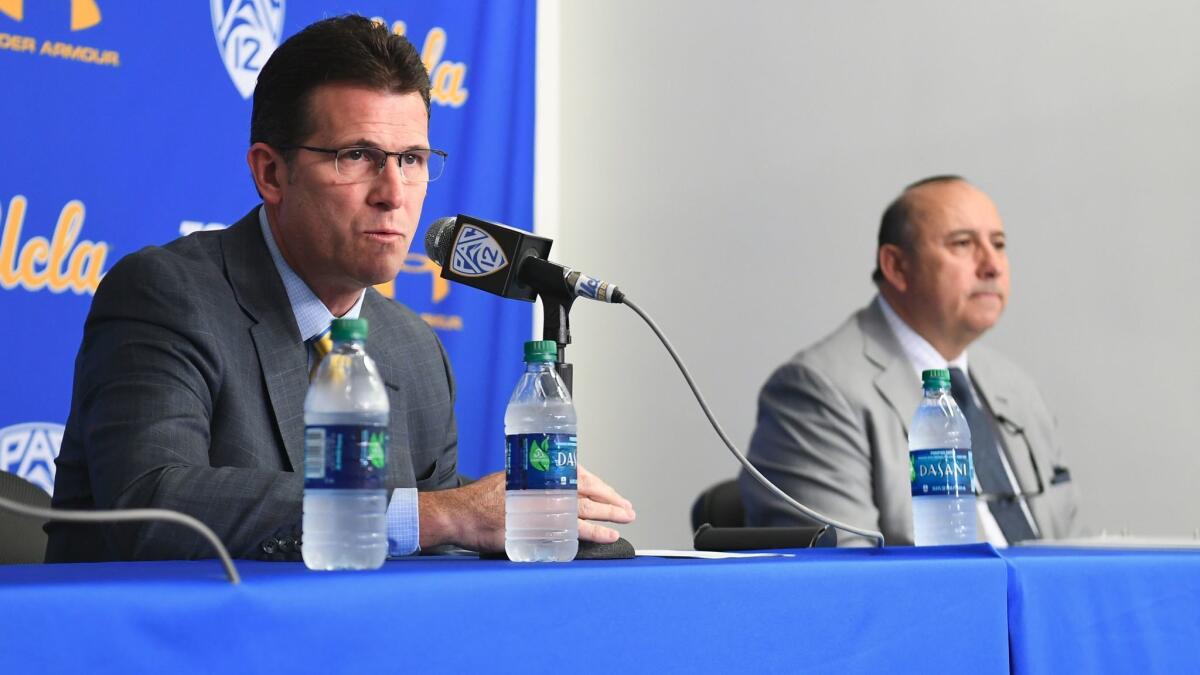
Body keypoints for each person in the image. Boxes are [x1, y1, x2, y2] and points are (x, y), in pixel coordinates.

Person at [46, 15, 634, 562]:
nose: (394, 192)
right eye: (357, 156)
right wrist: (435, 516)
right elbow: (151, 503)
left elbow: (436, 555)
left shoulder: (414, 351)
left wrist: (546, 524)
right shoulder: (168, 296)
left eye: (412, 158)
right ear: (271, 173)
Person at [740, 176, 1080, 546]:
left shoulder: (1017, 390)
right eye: (963, 244)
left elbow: (1074, 554)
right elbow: (845, 580)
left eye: (998, 244)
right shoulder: (817, 393)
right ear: (897, 266)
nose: (992, 266)